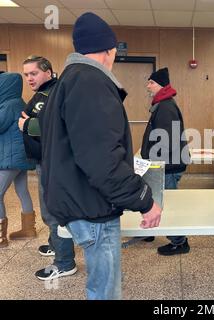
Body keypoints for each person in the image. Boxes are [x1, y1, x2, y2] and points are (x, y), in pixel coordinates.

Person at [40, 12, 162, 300]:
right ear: (110, 50)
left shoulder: (69, 81)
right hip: (92, 207)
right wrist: (144, 201)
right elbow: (102, 160)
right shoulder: (90, 83)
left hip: (77, 200)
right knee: (105, 291)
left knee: (100, 287)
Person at [15, 55, 77, 281]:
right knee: (52, 210)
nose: (29, 78)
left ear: (48, 72)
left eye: (34, 73)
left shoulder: (51, 94)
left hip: (52, 163)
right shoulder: (47, 92)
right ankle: (56, 245)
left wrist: (26, 124)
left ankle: (64, 262)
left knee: (53, 213)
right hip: (47, 161)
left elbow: (56, 126)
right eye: (26, 75)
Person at [141, 67, 189, 256]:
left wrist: (156, 166)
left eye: (151, 82)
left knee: (166, 205)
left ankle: (179, 241)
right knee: (158, 201)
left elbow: (166, 140)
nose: (148, 86)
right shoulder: (162, 104)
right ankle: (152, 229)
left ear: (160, 85)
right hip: (166, 165)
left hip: (167, 166)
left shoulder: (165, 106)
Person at [0, 72, 35, 248]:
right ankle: (29, 229)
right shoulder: (19, 102)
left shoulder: (8, 105)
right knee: (22, 190)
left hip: (11, 157)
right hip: (21, 157)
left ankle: (0, 238)